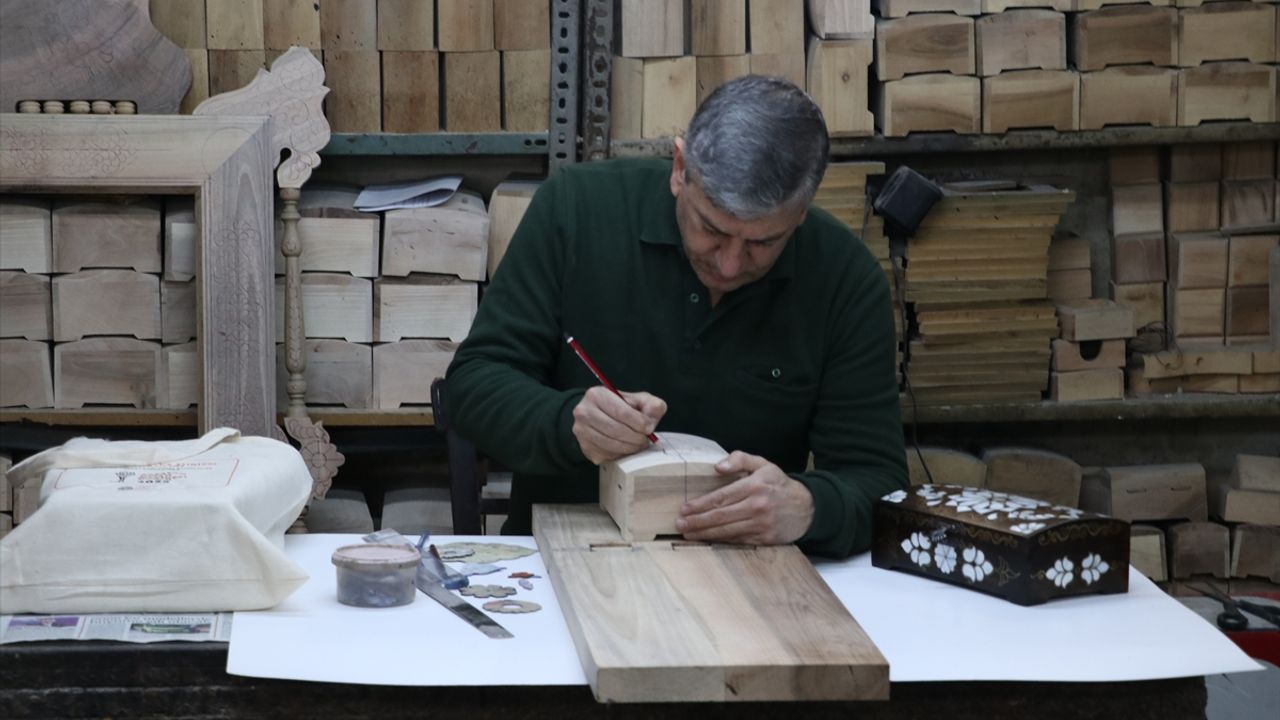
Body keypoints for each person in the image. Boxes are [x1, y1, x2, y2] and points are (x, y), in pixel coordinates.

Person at [445, 75, 906, 558]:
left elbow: (879, 483)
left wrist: (810, 508)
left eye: (764, 243)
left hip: (747, 574)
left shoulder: (845, 279)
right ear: (680, 168)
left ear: (802, 211)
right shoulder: (576, 209)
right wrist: (568, 423)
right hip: (564, 557)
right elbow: (473, 386)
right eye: (711, 229)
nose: (730, 265)